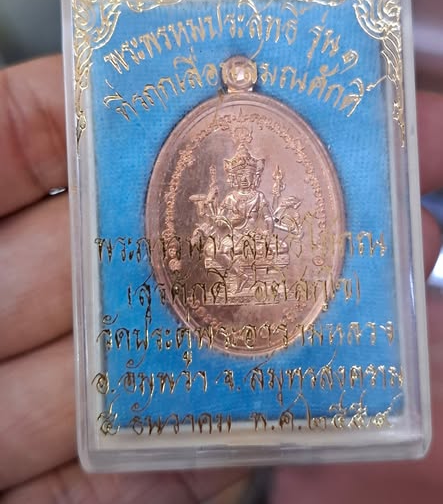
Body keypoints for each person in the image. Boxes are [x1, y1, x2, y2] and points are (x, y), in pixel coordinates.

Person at [0, 54, 442, 503]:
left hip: (256, 253)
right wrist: (216, 216)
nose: (244, 180)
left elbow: (268, 224)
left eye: (247, 175)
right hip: (231, 252)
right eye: (239, 175)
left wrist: (273, 224)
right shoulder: (230, 199)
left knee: (258, 251)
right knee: (218, 250)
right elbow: (221, 225)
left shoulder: (256, 199)